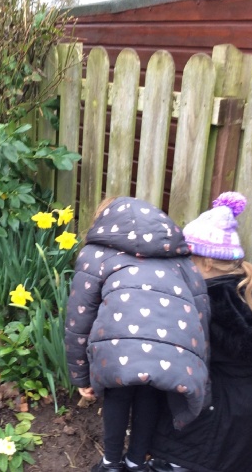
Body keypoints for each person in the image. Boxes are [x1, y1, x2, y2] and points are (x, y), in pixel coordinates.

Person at [65, 196, 211, 472]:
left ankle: (111, 463)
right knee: (150, 395)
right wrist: (201, 372)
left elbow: (79, 318)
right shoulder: (178, 257)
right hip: (169, 347)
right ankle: (136, 462)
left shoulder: (95, 254)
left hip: (117, 345)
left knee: (118, 394)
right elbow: (200, 311)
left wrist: (81, 375)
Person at [149, 191, 252, 472]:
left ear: (207, 262)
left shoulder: (210, 303)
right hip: (250, 406)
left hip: (218, 410)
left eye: (187, 259)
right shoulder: (251, 290)